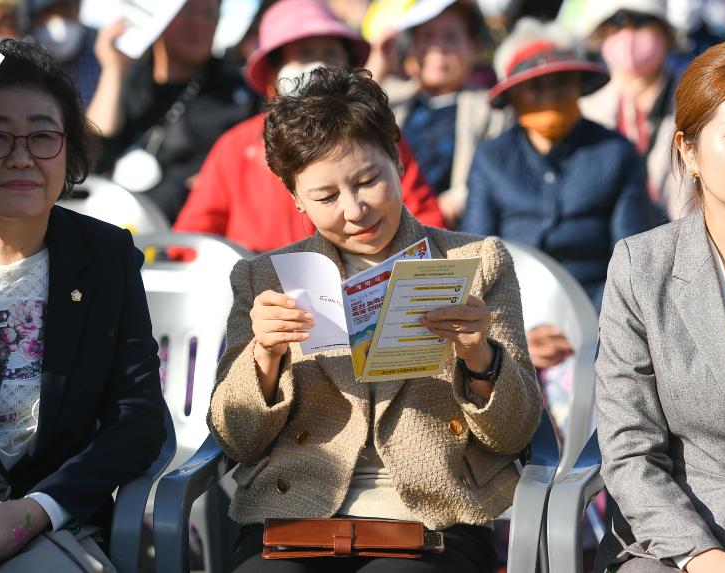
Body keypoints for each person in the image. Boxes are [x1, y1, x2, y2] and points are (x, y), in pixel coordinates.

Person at [207, 66, 542, 573]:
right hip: (295, 514)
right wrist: (264, 358)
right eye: (325, 197)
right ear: (295, 197)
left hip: (436, 516)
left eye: (368, 180)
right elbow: (236, 439)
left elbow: (515, 434)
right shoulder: (265, 279)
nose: (355, 209)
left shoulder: (475, 261)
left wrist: (480, 357)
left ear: (397, 159)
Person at [0, 40, 166, 571]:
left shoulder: (107, 257)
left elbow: (138, 418)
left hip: (52, 527)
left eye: (42, 136)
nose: (22, 157)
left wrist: (35, 510)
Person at [595, 38, 725, 573]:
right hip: (676, 541)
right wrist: (699, 555)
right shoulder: (642, 266)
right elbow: (629, 445)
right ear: (688, 150)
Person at [173, 0, 445, 253]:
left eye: (330, 53)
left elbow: (426, 222)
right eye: (304, 54)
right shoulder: (236, 147)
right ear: (272, 75)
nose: (319, 66)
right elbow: (191, 242)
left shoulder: (374, 133)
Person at [461, 18, 654, 370]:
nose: (549, 96)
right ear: (514, 97)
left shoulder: (615, 152)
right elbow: (477, 259)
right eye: (535, 87)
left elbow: (631, 258)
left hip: (601, 315)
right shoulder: (492, 159)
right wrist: (513, 335)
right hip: (513, 311)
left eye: (561, 83)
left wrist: (591, 331)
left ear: (579, 86)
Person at [86, 0, 258, 222]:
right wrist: (113, 72)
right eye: (186, 11)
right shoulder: (130, 79)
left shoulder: (236, 94)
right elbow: (94, 153)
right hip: (109, 223)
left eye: (209, 15)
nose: (198, 24)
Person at [385, 0, 508, 228]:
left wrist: (453, 203)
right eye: (427, 36)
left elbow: (496, 172)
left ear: (474, 47)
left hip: (453, 230)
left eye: (451, 37)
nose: (437, 48)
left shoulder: (492, 109)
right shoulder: (389, 99)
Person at [579, 0, 683, 221]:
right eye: (616, 24)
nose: (628, 35)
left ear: (664, 32)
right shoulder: (585, 106)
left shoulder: (698, 99)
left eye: (640, 21)